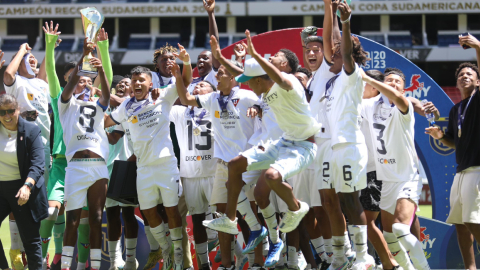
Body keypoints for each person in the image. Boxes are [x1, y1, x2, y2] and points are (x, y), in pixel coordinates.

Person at [104, 63, 188, 270]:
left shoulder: (162, 97)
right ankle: (165, 248)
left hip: (166, 165)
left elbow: (185, 82)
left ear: (150, 83)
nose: (138, 83)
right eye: (134, 81)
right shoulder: (126, 106)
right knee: (148, 213)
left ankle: (177, 257)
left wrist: (185, 63)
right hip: (143, 169)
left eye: (142, 80)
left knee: (172, 211)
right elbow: (106, 121)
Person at [319, 1, 377, 269]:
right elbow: (330, 42)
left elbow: (344, 49)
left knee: (351, 201)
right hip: (334, 147)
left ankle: (364, 257)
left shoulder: (352, 75)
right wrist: (327, 9)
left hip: (350, 146)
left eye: (337, 51)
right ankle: (341, 257)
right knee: (339, 200)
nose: (330, 52)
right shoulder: (330, 82)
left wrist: (345, 22)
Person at [361, 67, 431, 270]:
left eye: (397, 82)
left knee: (400, 228)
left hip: (406, 176)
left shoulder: (404, 105)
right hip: (385, 179)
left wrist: (367, 78)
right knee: (390, 236)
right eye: (388, 80)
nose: (392, 84)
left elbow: (401, 99)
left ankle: (424, 268)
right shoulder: (369, 105)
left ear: (403, 88)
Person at [425, 33, 480, 270]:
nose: (464, 76)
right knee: (459, 223)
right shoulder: (457, 109)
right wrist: (440, 136)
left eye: (470, 74)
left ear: (478, 82)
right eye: (460, 75)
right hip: (461, 170)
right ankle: (470, 268)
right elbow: (455, 142)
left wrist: (477, 46)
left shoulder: (478, 99)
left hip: (477, 169)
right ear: (456, 84)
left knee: (473, 220)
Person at [58, 38, 111, 270]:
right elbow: (70, 83)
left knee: (97, 219)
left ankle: (96, 266)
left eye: (89, 82)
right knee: (72, 220)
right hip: (76, 167)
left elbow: (107, 98)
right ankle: (67, 265)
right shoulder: (66, 104)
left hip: (98, 166)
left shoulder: (97, 106)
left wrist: (100, 70)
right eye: (81, 81)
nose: (84, 84)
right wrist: (83, 57)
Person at [3, 42, 51, 268]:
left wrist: (49, 47)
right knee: (19, 200)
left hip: (42, 149)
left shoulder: (40, 83)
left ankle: (37, 252)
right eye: (28, 60)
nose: (34, 62)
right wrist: (23, 50)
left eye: (35, 61)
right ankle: (15, 252)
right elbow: (9, 73)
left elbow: (43, 74)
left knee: (36, 210)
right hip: (20, 151)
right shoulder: (16, 84)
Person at [169, 79, 217, 270]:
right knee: (197, 219)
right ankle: (204, 263)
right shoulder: (180, 111)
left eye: (203, 85)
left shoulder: (217, 106)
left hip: (214, 171)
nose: (197, 87)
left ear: (212, 91)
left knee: (222, 218)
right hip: (189, 174)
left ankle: (233, 257)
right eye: (195, 86)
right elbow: (166, 104)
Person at [0, 93, 48, 270]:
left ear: (18, 110)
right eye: (2, 112)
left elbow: (38, 164)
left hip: (23, 189)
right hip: (1, 188)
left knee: (31, 240)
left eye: (11, 111)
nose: (6, 116)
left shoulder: (31, 130)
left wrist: (27, 186)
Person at [104, 75, 140, 270]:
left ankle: (131, 259)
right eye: (119, 84)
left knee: (128, 213)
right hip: (108, 167)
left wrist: (100, 124)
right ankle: (114, 260)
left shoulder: (131, 108)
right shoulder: (110, 110)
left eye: (127, 84)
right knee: (111, 215)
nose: (121, 86)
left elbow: (113, 138)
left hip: (128, 165)